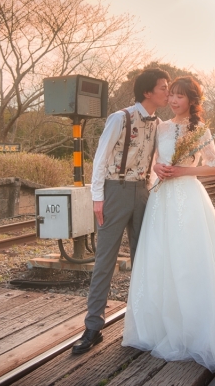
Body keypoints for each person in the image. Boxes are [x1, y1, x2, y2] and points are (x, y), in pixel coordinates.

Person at [122, 76, 215, 372]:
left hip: (188, 197)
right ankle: (159, 329)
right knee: (160, 257)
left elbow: (213, 167)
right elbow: (153, 160)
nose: (173, 100)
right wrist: (158, 167)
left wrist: (182, 170)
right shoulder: (160, 127)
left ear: (191, 100)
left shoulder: (200, 129)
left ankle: (196, 330)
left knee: (189, 260)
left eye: (180, 96)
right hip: (161, 198)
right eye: (171, 94)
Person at [72, 68, 171, 355]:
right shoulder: (121, 117)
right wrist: (97, 198)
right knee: (105, 260)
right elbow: (100, 159)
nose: (167, 92)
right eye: (163, 87)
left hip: (143, 192)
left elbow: (154, 160)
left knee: (144, 259)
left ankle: (144, 326)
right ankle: (93, 327)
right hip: (115, 190)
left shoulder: (159, 124)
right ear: (147, 92)